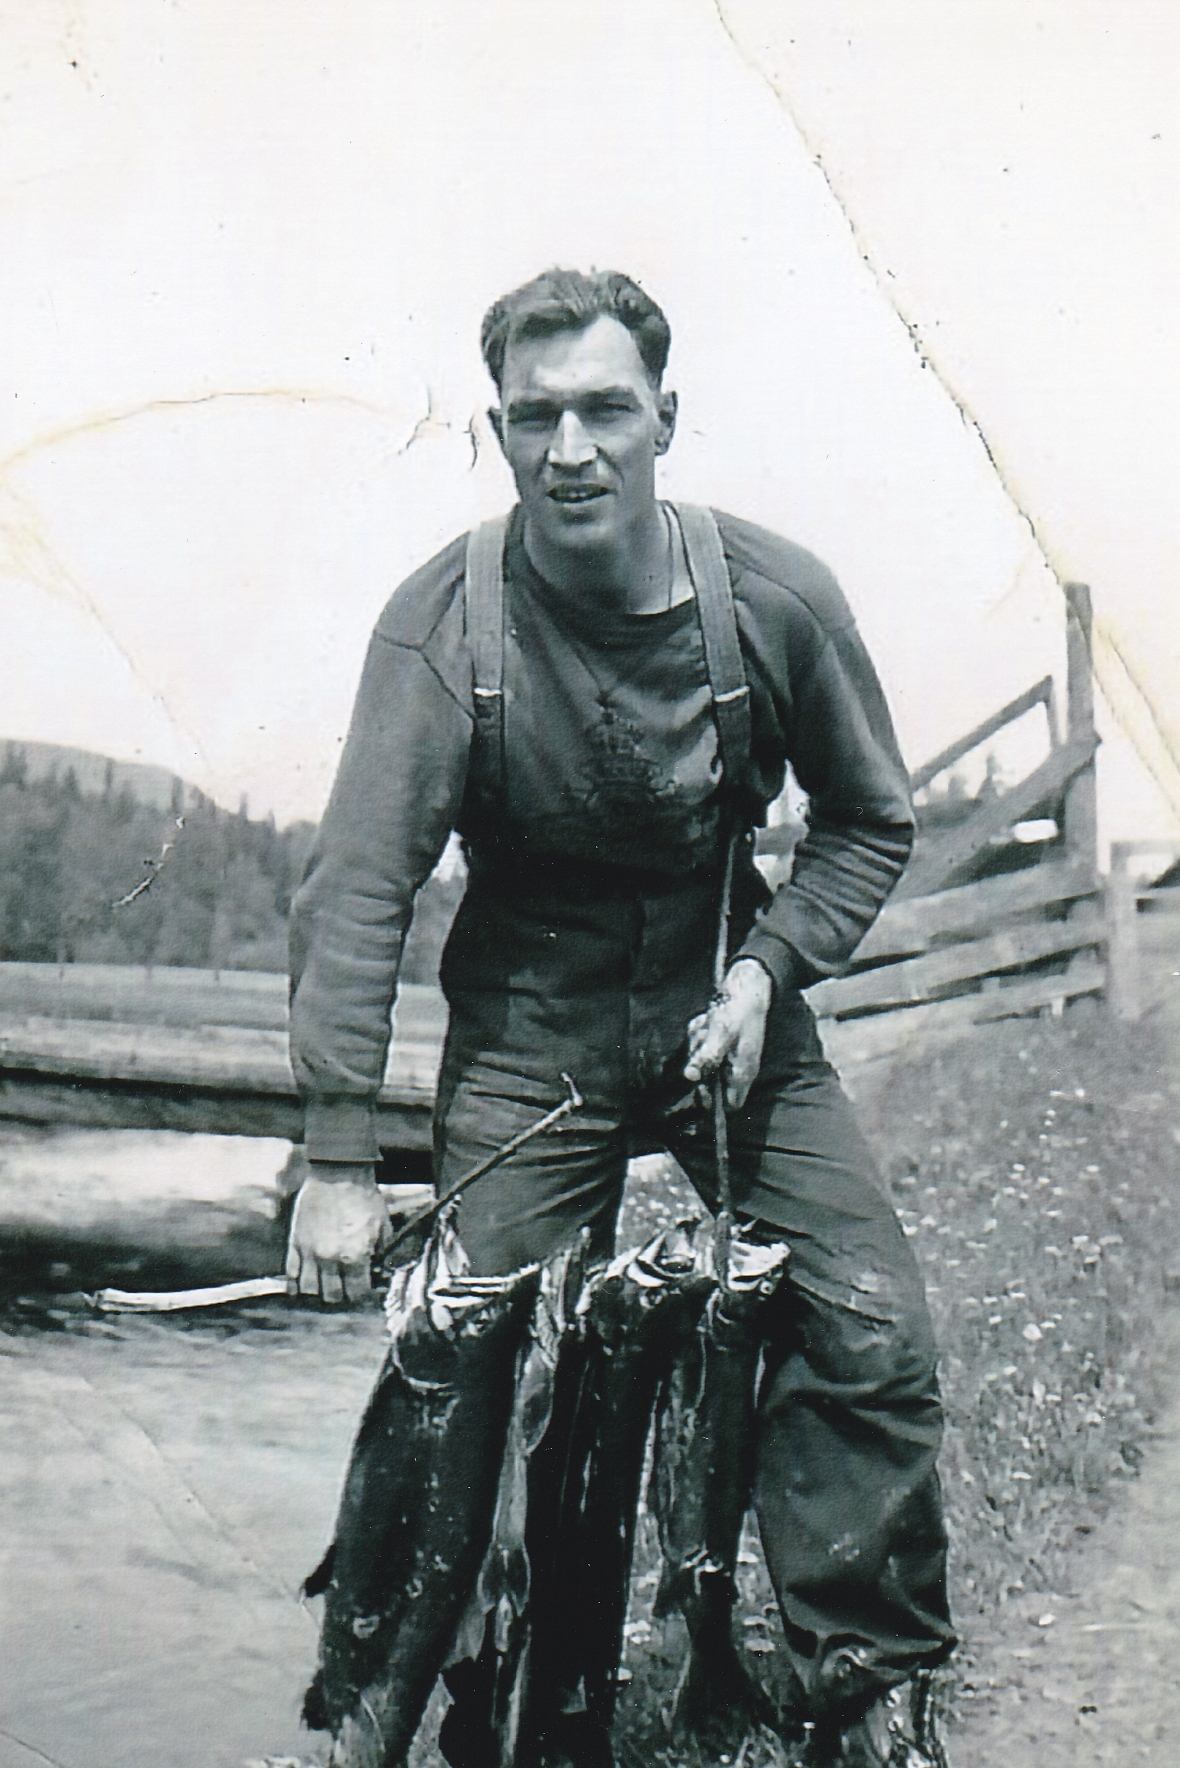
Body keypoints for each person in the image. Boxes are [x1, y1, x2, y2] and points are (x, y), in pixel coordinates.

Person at [285, 268, 955, 1768]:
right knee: (458, 1371)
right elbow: (355, 888)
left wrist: (764, 971)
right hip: (533, 1039)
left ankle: (868, 1695)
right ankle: (396, 1710)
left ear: (666, 416)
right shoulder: (442, 623)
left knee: (869, 1327)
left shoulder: (774, 599)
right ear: (498, 432)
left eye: (603, 410)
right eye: (537, 418)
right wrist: (335, 1152)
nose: (571, 448)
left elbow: (868, 821)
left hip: (731, 1015)